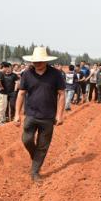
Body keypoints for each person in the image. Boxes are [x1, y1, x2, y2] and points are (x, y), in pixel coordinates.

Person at [13, 47, 65, 182]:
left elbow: (61, 94)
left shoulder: (56, 74)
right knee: (27, 139)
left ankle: (35, 172)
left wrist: (60, 115)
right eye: (35, 61)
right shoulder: (27, 74)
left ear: (45, 61)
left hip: (48, 117)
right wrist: (16, 114)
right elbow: (21, 94)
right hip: (30, 115)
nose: (37, 64)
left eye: (40, 61)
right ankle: (36, 157)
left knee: (43, 146)